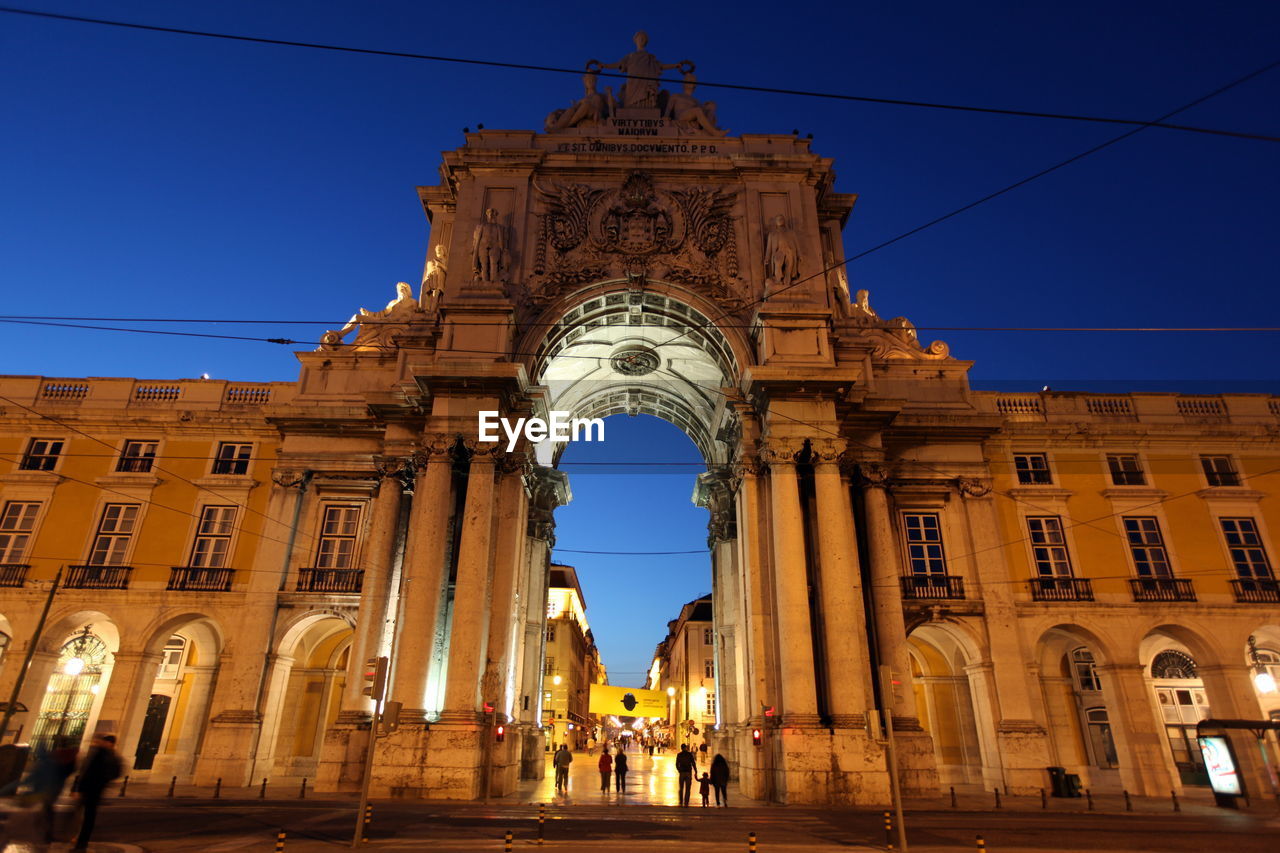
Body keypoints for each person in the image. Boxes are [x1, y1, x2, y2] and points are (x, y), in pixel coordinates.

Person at [72, 733, 123, 852]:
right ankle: (79, 840)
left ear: (109, 743)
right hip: (94, 789)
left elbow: (86, 772)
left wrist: (78, 788)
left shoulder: (101, 754)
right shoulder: (109, 755)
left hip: (90, 790)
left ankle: (80, 842)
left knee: (85, 816)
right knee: (86, 816)